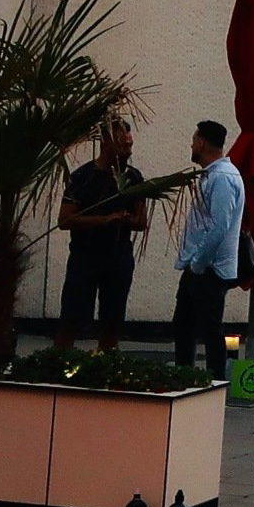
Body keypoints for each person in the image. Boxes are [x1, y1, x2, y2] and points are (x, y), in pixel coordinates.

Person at [55, 116, 146, 352]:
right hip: (85, 255)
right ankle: (58, 363)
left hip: (118, 256)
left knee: (112, 321)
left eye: (130, 145)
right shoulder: (83, 177)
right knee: (71, 317)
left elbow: (141, 222)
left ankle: (106, 362)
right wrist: (103, 220)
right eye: (123, 145)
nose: (128, 150)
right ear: (107, 142)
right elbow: (64, 220)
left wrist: (127, 220)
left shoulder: (133, 177)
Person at [173, 119, 245, 380]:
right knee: (184, 325)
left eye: (194, 140)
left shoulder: (222, 177)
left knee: (209, 329)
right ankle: (186, 376)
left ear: (202, 143)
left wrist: (198, 262)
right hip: (201, 266)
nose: (191, 146)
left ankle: (215, 380)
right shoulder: (214, 175)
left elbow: (219, 226)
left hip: (209, 269)